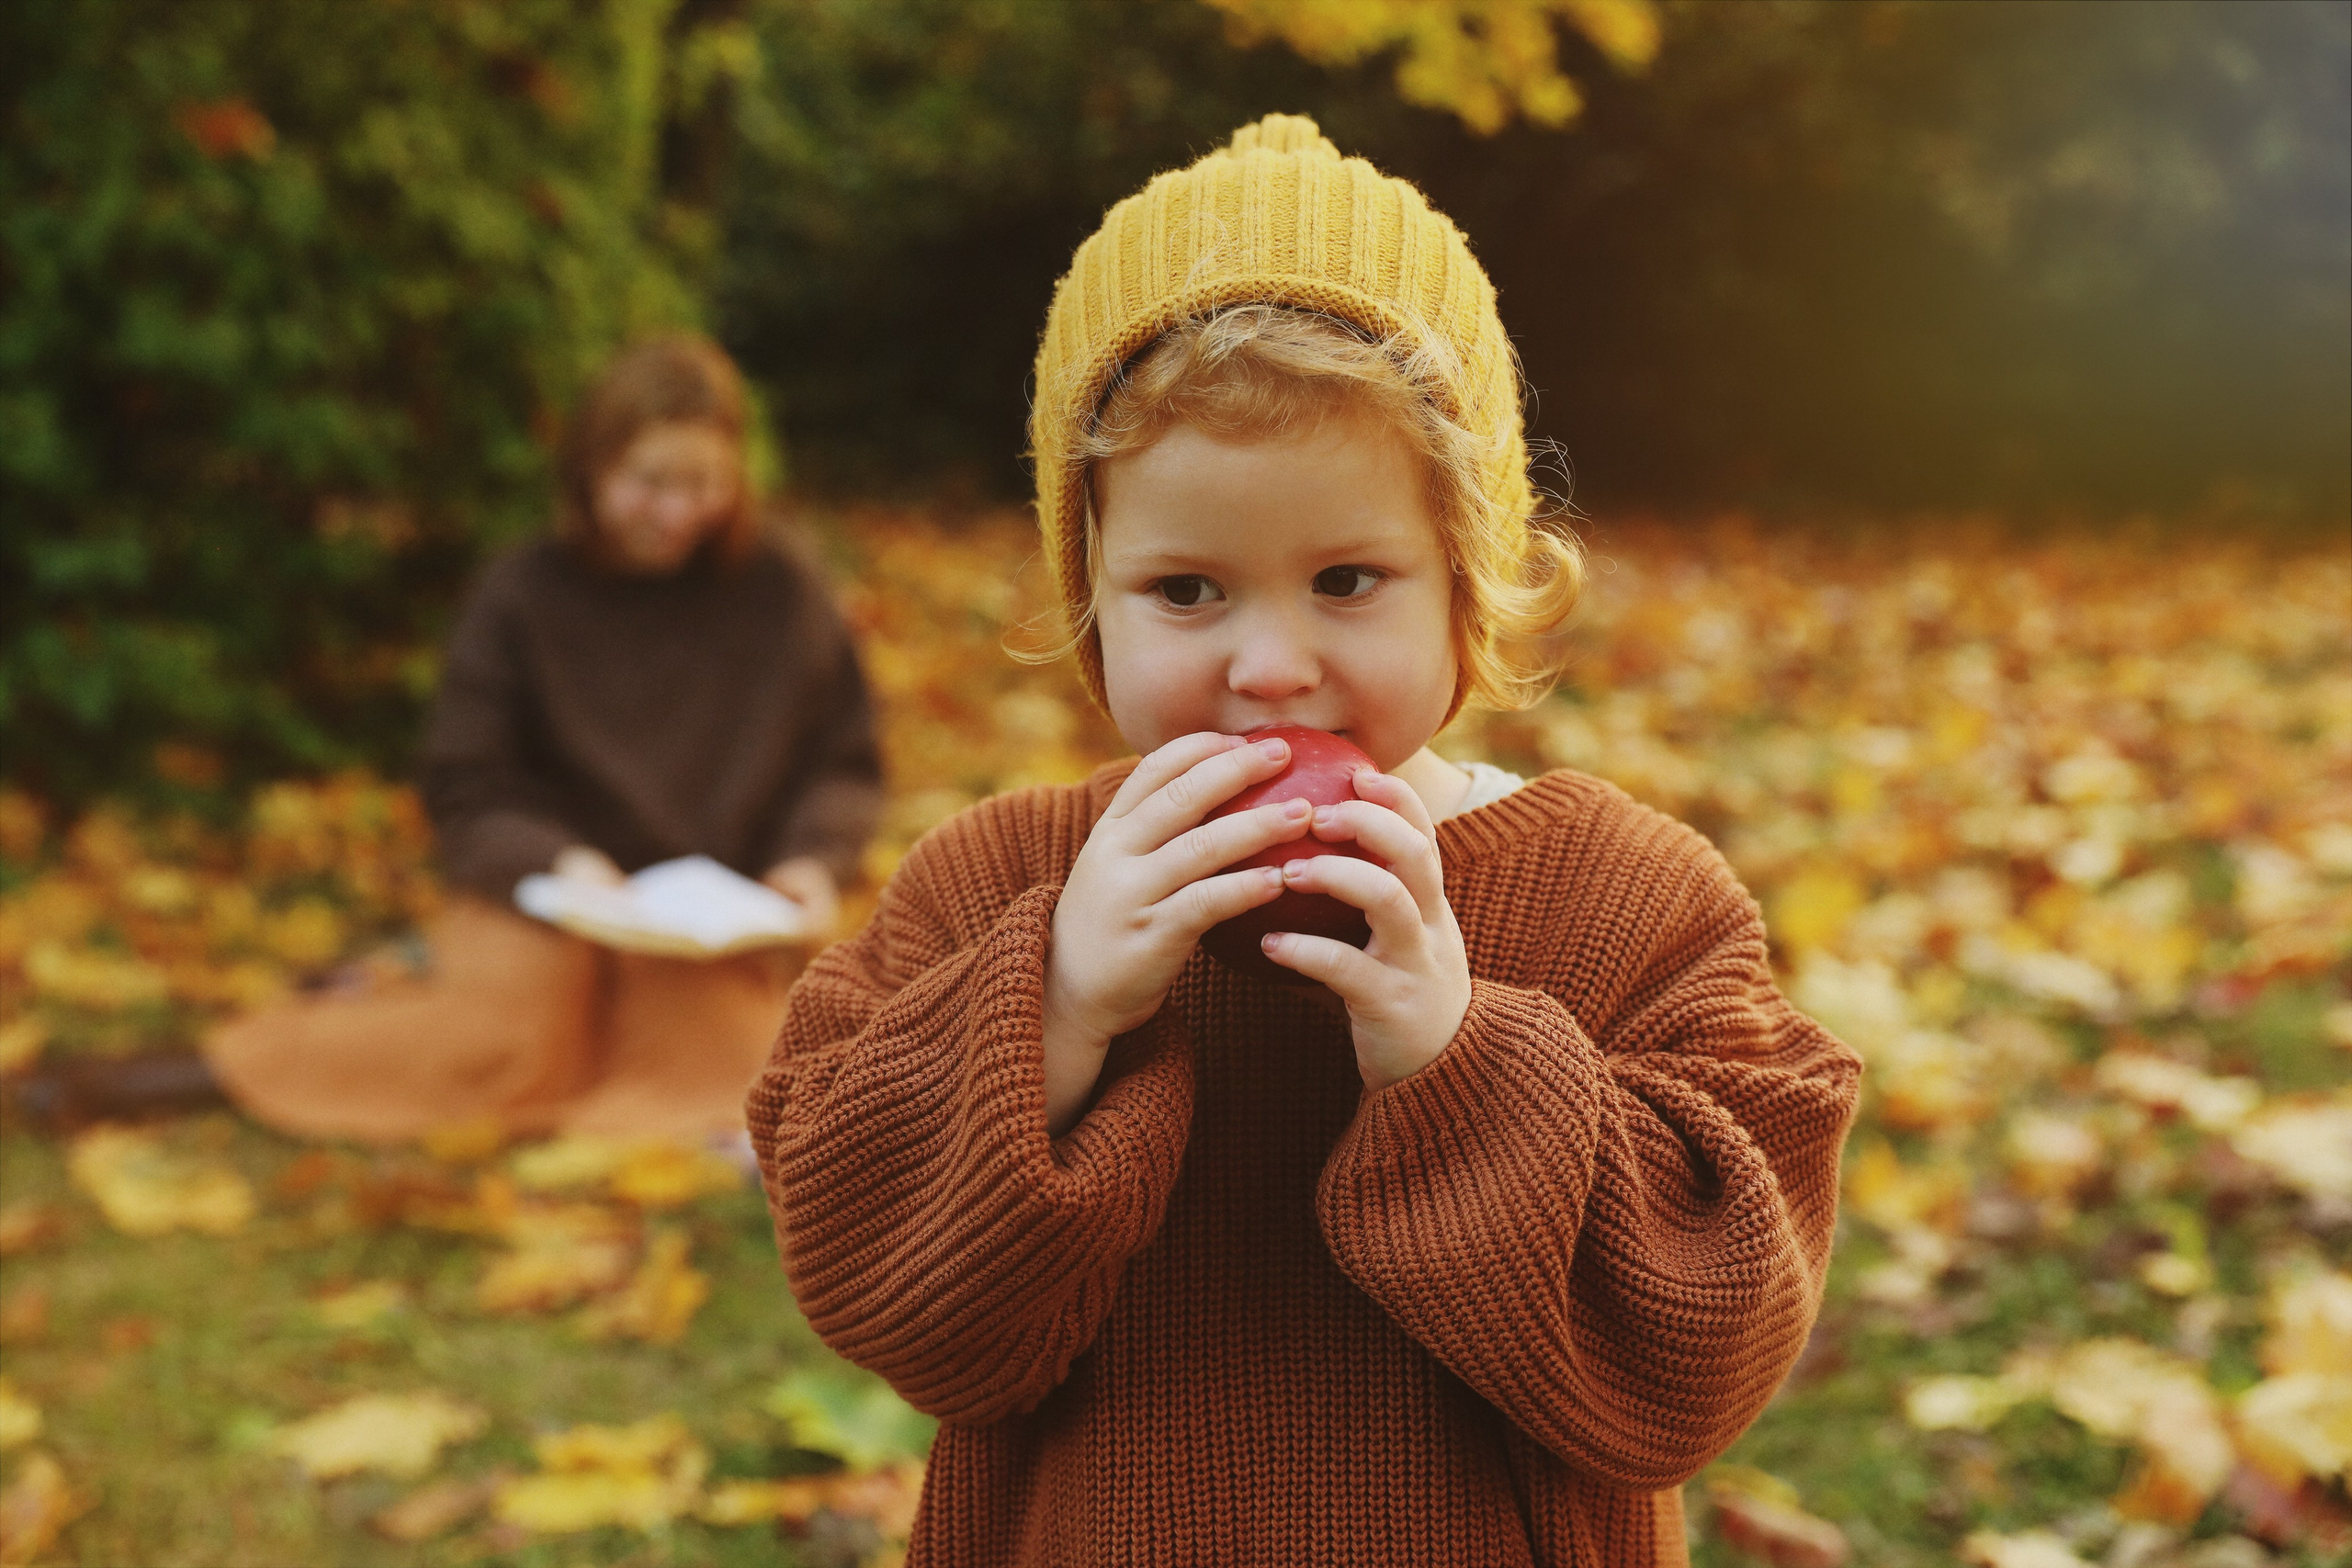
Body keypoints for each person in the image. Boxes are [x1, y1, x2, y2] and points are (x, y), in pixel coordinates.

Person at [746, 116, 1860, 1564]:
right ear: (1092, 593)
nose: (1270, 664)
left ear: (1469, 577)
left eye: (1346, 578)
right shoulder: (993, 885)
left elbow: (1698, 1358)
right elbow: (870, 1270)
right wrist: (1055, 1006)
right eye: (1187, 589)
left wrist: (1459, 1063)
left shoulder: (1632, 903)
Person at [201, 335, 881, 1143]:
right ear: (591, 470)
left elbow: (842, 760)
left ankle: (598, 1042)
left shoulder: (782, 585)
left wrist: (811, 861)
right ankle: (247, 1056)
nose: (674, 512)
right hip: (553, 894)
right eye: (648, 483)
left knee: (734, 1072)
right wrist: (561, 863)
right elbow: (466, 781)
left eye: (700, 484)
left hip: (706, 920)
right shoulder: (519, 595)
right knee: (506, 1050)